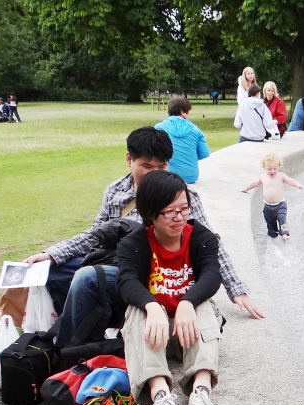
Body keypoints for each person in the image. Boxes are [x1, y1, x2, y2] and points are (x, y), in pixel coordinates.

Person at [23, 127, 264, 347]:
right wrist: (52, 254)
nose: (155, 173)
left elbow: (210, 242)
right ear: (129, 159)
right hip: (115, 262)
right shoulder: (115, 191)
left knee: (87, 277)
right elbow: (95, 236)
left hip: (149, 273)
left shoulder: (181, 197)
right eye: (147, 166)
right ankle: (89, 333)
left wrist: (236, 288)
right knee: (52, 271)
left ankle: (66, 351)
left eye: (162, 167)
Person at [117, 170, 221, 405]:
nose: (179, 217)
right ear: (151, 213)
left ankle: (200, 390)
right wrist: (152, 306)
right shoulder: (134, 244)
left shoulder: (201, 238)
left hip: (189, 329)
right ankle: (160, 393)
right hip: (156, 331)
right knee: (137, 311)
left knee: (205, 307)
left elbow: (212, 275)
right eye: (169, 211)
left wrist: (188, 301)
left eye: (184, 209)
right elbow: (126, 282)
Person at [241, 153, 302, 242]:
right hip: (268, 206)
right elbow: (254, 183)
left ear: (279, 166)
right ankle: (273, 236)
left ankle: (284, 234)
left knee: (282, 219)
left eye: (275, 168)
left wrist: (297, 184)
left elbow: (290, 180)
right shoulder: (263, 177)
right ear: (264, 167)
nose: (272, 171)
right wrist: (246, 188)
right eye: (269, 169)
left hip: (280, 205)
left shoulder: (281, 176)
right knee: (270, 224)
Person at [155, 96, 210, 184]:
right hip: (190, 176)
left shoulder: (159, 127)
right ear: (183, 112)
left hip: (167, 174)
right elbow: (205, 153)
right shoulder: (195, 130)